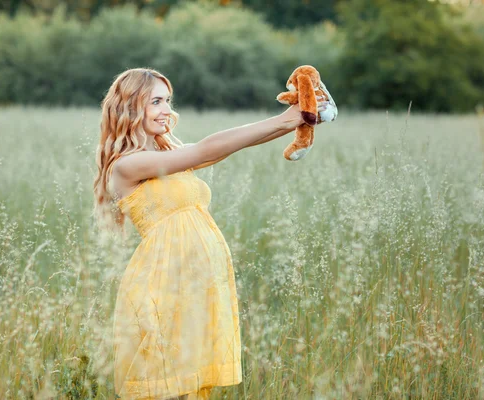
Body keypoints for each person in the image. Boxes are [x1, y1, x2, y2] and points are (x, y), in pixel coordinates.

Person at [92, 68, 328, 400]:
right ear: (130, 107)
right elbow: (205, 150)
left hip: (195, 286)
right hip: (164, 286)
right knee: (167, 384)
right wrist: (286, 119)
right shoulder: (126, 166)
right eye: (155, 101)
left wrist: (290, 122)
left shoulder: (167, 156)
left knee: (188, 386)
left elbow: (219, 150)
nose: (166, 110)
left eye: (167, 100)